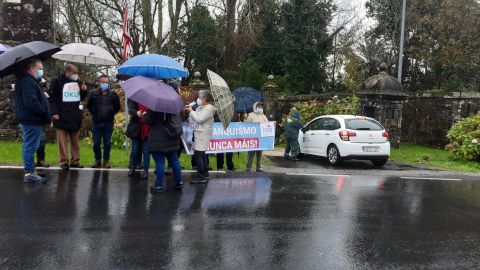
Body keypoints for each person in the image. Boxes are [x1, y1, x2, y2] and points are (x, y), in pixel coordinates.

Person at [14, 59, 50, 183]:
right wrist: (44, 111)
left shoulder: (29, 81)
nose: (41, 71)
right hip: (31, 119)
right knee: (30, 146)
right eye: (39, 69)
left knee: (31, 145)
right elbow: (31, 102)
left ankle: (31, 170)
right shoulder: (27, 82)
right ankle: (29, 173)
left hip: (31, 119)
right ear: (31, 69)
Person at [48, 64, 88, 170]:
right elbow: (51, 98)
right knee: (62, 141)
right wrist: (54, 112)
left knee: (75, 141)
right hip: (61, 115)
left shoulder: (77, 82)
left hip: (74, 115)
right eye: (74, 73)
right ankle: (64, 161)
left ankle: (75, 160)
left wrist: (84, 90)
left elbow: (80, 98)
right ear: (68, 71)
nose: (76, 75)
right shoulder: (56, 81)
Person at [143, 110, 183, 192]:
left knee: (160, 162)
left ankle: (159, 185)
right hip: (172, 138)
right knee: (175, 161)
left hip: (158, 139)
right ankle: (179, 181)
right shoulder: (174, 107)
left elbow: (148, 120)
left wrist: (144, 115)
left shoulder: (155, 107)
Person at [86, 75, 120, 168]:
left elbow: (117, 107)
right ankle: (97, 160)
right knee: (96, 143)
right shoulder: (93, 94)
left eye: (106, 82)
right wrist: (94, 113)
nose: (105, 84)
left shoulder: (113, 94)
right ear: (99, 83)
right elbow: (89, 105)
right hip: (97, 122)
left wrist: (111, 113)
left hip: (108, 123)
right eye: (103, 82)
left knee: (107, 143)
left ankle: (106, 161)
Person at [185, 90, 217, 184]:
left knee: (198, 154)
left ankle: (201, 175)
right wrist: (190, 111)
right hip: (198, 133)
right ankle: (205, 172)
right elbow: (194, 118)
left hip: (203, 134)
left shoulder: (209, 109)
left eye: (201, 97)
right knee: (201, 153)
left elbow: (199, 119)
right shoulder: (201, 107)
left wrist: (191, 112)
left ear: (205, 98)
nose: (199, 99)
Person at [126, 100, 150, 179]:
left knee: (146, 151)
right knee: (135, 149)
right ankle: (133, 167)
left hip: (147, 128)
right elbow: (131, 108)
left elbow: (153, 111)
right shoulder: (133, 97)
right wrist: (137, 112)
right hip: (136, 128)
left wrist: (148, 114)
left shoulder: (150, 97)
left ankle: (146, 171)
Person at [245, 102, 269, 172]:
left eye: (261, 107)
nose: (260, 108)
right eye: (259, 106)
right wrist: (245, 119)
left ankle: (258, 167)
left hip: (261, 138)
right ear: (255, 107)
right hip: (252, 138)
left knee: (260, 153)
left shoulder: (264, 116)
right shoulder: (251, 115)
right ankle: (248, 167)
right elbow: (247, 126)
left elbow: (267, 125)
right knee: (251, 153)